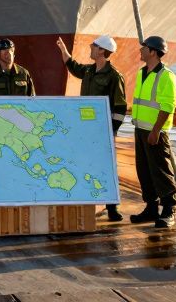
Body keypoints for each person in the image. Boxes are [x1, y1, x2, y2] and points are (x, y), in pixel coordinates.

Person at [56, 34, 127, 221]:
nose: (90, 47)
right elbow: (72, 66)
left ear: (102, 50)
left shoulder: (114, 76)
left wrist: (112, 131)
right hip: (85, 130)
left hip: (103, 131)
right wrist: (64, 51)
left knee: (107, 168)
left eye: (94, 46)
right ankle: (85, 202)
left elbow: (120, 107)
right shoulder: (89, 71)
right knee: (85, 164)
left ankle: (112, 208)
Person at [129, 35, 176, 227]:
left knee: (160, 171)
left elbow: (167, 106)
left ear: (153, 52)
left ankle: (169, 209)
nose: (141, 51)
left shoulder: (166, 75)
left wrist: (156, 130)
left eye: (144, 48)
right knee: (144, 171)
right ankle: (151, 208)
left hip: (154, 132)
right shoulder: (142, 72)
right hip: (140, 129)